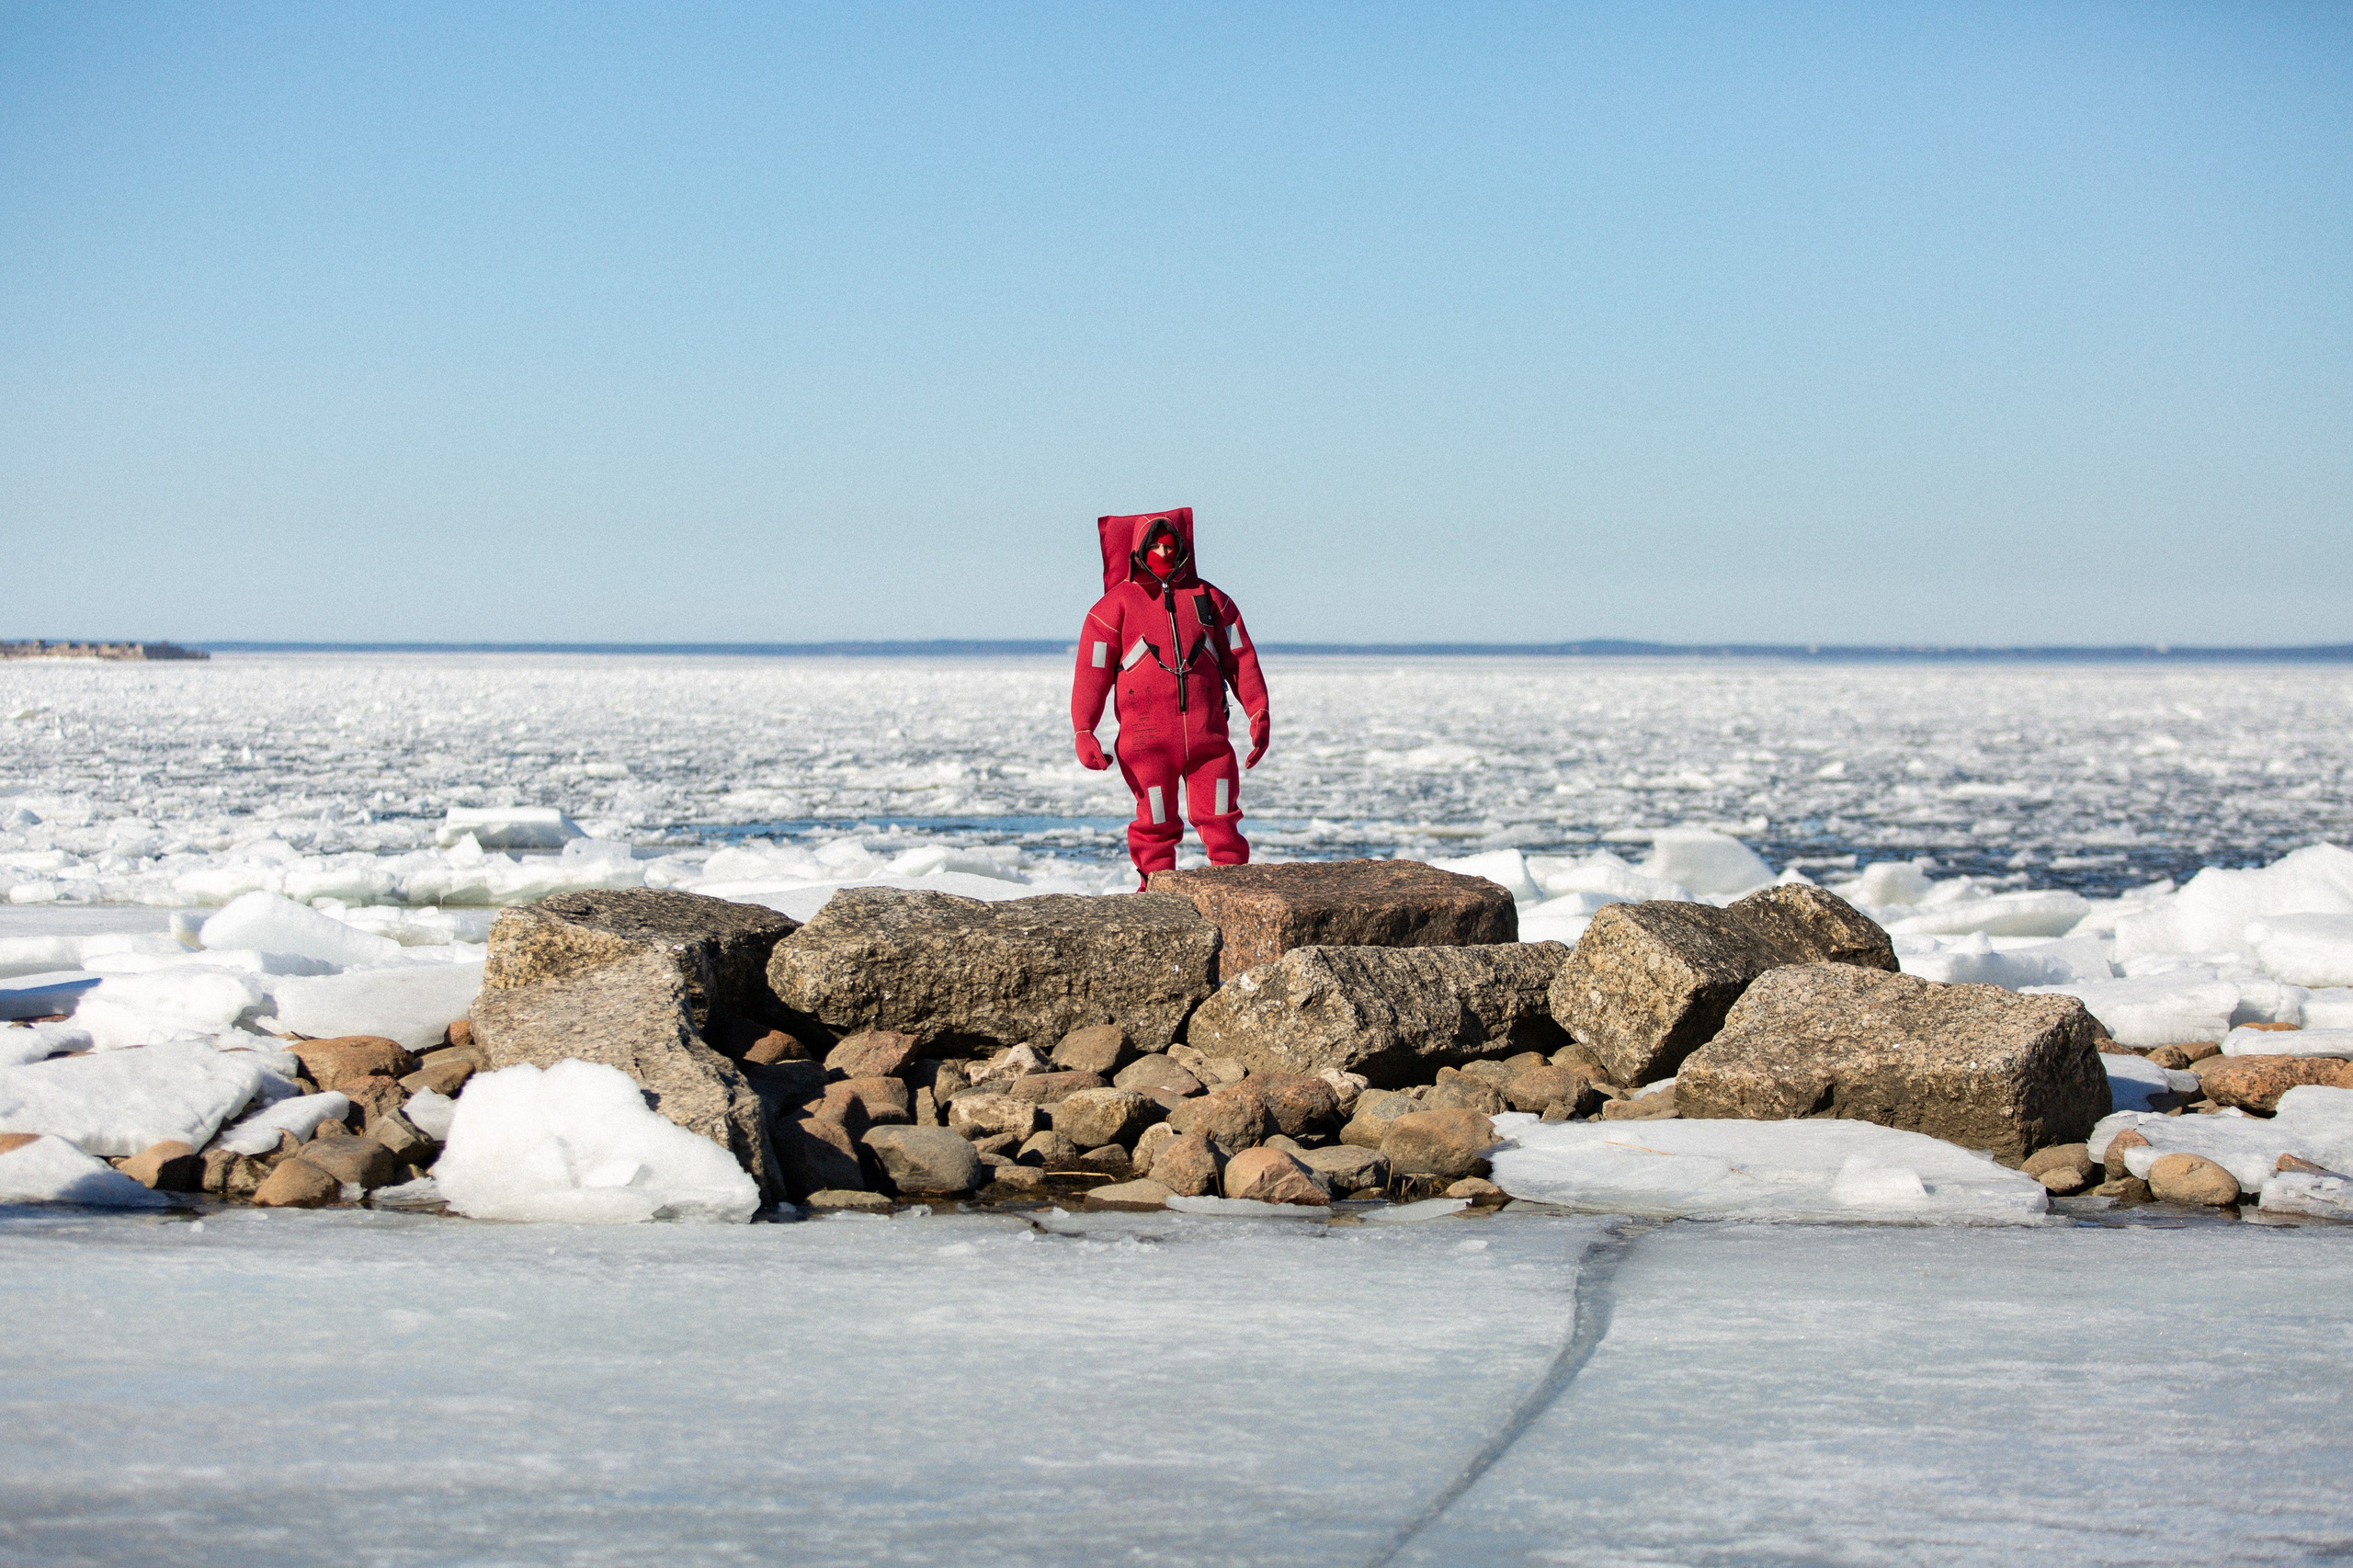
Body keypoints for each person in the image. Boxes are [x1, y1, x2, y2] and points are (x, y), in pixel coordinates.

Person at [1070, 507, 1269, 887]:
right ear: (1138, 550)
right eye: (1155, 546)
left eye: (1169, 545)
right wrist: (1084, 729)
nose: (1163, 553)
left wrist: (1258, 710)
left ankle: (1234, 894)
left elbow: (1240, 656)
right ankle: (1156, 896)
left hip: (1209, 740)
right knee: (1155, 823)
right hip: (1147, 744)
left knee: (1222, 818)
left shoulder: (1211, 600)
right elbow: (1092, 673)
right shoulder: (1113, 608)